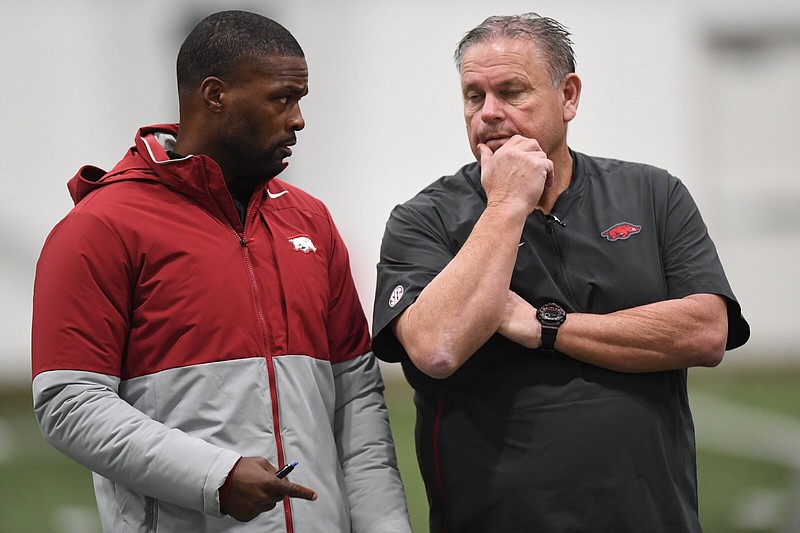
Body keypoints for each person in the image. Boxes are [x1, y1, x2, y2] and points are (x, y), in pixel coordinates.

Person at [32, 10, 411, 533]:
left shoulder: (311, 221)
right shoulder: (100, 227)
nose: (298, 119)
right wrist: (215, 476)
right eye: (282, 98)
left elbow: (357, 401)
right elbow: (69, 402)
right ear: (215, 96)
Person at [372, 13, 750, 533]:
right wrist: (506, 202)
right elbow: (437, 347)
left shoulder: (653, 194)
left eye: (512, 91)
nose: (490, 114)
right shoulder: (424, 219)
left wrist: (547, 328)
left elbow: (707, 332)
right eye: (473, 96)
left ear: (568, 96)